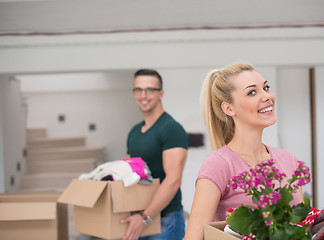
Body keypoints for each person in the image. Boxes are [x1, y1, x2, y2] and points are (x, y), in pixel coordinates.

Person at [184, 63, 304, 240]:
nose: (267, 96)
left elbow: (302, 224)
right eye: (252, 92)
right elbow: (194, 238)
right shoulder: (219, 164)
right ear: (228, 108)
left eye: (266, 88)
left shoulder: (288, 160)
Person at [121, 69, 188, 240]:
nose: (143, 95)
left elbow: (173, 180)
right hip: (140, 219)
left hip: (165, 221)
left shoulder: (171, 128)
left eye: (150, 90)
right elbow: (128, 175)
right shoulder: (134, 132)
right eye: (138, 90)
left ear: (161, 93)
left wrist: (144, 218)